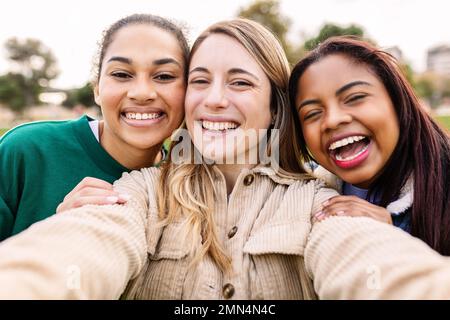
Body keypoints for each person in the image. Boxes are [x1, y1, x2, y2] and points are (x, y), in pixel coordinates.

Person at [0, 19, 449, 300]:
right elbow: (81, 247)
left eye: (239, 83)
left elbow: (369, 261)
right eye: (200, 81)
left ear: (275, 106)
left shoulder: (322, 199)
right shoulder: (141, 190)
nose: (214, 100)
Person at [0, 14, 189, 240]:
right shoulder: (26, 151)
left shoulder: (187, 183)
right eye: (121, 74)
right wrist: (51, 236)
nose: (141, 93)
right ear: (97, 88)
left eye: (164, 76)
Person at [289, 36, 450, 255]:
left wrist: (395, 234)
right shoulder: (304, 196)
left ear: (397, 101)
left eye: (354, 97)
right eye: (313, 113)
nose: (333, 120)